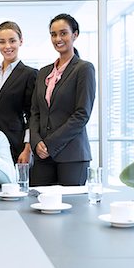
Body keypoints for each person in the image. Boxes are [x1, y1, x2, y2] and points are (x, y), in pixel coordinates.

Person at [30, 13, 96, 186]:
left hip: (72, 156)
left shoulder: (84, 69)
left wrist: (49, 144)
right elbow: (35, 112)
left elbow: (82, 114)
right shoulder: (43, 73)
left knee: (72, 208)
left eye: (63, 33)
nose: (58, 38)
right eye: (53, 34)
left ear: (75, 35)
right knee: (37, 204)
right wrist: (36, 142)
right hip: (42, 155)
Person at [0, 21, 37, 163]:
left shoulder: (30, 74)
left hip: (15, 145)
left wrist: (27, 148)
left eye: (12, 41)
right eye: (2, 42)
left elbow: (32, 115)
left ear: (21, 41)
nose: (7, 46)